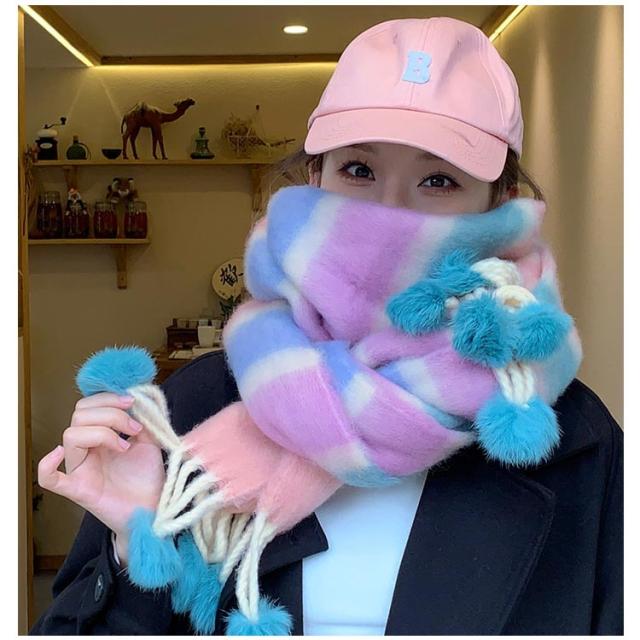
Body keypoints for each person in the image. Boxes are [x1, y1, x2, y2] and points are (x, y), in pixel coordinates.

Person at [31, 16, 622, 636]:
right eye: (359, 170)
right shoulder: (195, 405)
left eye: (439, 179)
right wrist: (133, 548)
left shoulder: (576, 443)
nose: (388, 212)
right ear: (315, 179)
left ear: (497, 205)